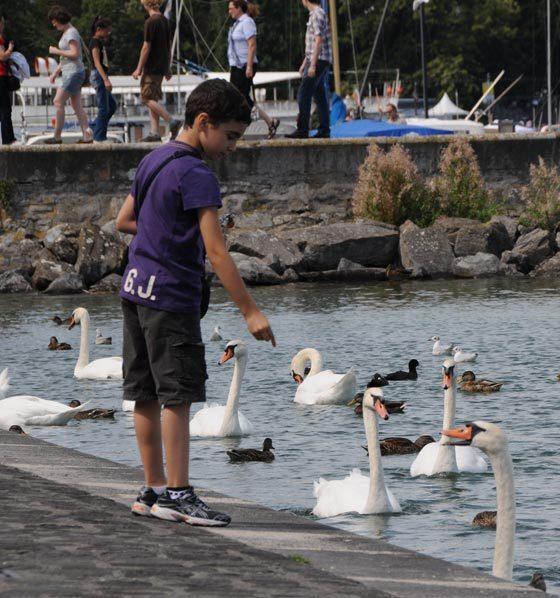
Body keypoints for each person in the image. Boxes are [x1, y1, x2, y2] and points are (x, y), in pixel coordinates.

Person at [115, 79, 275, 527]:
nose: (232, 147)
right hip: (171, 297)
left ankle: (153, 489)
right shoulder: (197, 173)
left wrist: (162, 233)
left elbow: (124, 220)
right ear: (204, 122)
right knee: (178, 396)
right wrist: (250, 310)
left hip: (134, 290)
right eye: (230, 136)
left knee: (144, 394)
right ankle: (179, 494)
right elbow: (218, 252)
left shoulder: (154, 159)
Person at [227, 0, 280, 139]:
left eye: (231, 8)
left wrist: (249, 66)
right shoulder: (236, 24)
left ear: (239, 8)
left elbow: (252, 45)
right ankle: (270, 121)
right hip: (236, 66)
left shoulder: (247, 22)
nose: (229, 11)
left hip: (245, 65)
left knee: (239, 98)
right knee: (241, 98)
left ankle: (239, 130)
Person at [132, 0, 181, 142]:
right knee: (153, 98)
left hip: (151, 67)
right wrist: (167, 67)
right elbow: (168, 46)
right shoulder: (165, 21)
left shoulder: (150, 22)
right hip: (161, 67)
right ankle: (154, 132)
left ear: (147, 4)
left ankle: (171, 121)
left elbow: (146, 47)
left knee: (145, 98)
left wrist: (138, 68)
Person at [285, 0, 331, 139]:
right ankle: (324, 129)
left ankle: (303, 129)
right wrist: (305, 62)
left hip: (318, 59)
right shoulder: (317, 13)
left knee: (303, 94)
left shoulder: (316, 14)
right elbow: (312, 44)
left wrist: (312, 65)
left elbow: (318, 41)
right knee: (319, 96)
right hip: (318, 59)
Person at [46, 6, 92, 144]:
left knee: (58, 101)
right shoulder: (69, 31)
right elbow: (66, 57)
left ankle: (57, 137)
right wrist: (56, 72)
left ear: (59, 19)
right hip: (72, 72)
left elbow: (74, 54)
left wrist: (56, 51)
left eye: (54, 21)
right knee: (76, 105)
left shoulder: (71, 33)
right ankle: (87, 137)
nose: (53, 24)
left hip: (74, 73)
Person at [89, 17, 117, 142]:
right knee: (104, 108)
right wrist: (105, 80)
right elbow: (97, 63)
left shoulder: (99, 42)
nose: (108, 32)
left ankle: (93, 127)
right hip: (99, 75)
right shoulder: (94, 42)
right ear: (99, 29)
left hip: (101, 74)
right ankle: (99, 137)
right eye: (107, 30)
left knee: (112, 106)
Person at [0, 13, 15, 145]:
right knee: (6, 110)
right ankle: (8, 140)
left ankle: (9, 138)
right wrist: (10, 49)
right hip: (1, 77)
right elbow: (2, 57)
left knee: (4, 109)